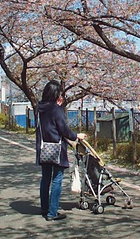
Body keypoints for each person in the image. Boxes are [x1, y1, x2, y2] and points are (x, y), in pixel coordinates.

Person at [36, 80, 86, 221]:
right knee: (57, 179)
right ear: (56, 94)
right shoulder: (56, 109)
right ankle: (52, 213)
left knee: (45, 179)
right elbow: (64, 130)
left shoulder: (39, 108)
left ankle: (44, 208)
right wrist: (77, 136)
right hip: (56, 148)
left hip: (44, 147)